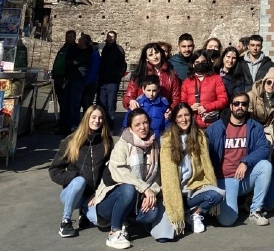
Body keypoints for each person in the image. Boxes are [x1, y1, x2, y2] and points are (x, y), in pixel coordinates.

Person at [88, 108, 163, 249]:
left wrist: (151, 190)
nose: (142, 127)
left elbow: (157, 176)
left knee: (152, 213)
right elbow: (119, 172)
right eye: (137, 125)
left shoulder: (154, 145)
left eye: (145, 123)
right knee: (128, 188)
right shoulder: (122, 144)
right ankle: (115, 232)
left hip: (137, 199)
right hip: (110, 200)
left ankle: (125, 221)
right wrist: (144, 187)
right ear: (130, 128)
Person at [206, 88, 273, 227]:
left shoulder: (255, 127)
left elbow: (264, 148)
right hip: (224, 180)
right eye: (236, 104)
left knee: (265, 166)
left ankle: (255, 210)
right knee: (228, 220)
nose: (240, 107)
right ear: (231, 106)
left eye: (243, 104)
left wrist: (245, 162)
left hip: (244, 177)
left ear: (247, 107)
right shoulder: (216, 128)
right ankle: (230, 204)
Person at [159, 103, 225, 237]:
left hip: (194, 187)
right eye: (179, 116)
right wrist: (173, 200)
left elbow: (206, 165)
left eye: (186, 115)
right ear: (174, 119)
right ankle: (180, 211)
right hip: (175, 191)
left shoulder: (199, 136)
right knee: (164, 237)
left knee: (217, 195)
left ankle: (195, 213)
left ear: (191, 116)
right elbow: (168, 176)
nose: (184, 120)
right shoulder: (167, 140)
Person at [49, 105, 113, 238]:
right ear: (86, 118)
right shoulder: (70, 141)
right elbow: (54, 170)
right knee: (79, 181)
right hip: (73, 194)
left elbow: (110, 170)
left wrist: (99, 192)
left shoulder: (107, 142)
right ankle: (65, 221)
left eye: (100, 118)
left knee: (101, 222)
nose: (97, 121)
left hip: (93, 196)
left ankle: (85, 213)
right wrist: (73, 176)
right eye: (93, 117)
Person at [123, 43, 181, 112]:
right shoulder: (139, 74)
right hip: (143, 114)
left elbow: (176, 98)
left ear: (161, 54)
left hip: (163, 114)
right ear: (146, 59)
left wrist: (170, 109)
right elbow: (128, 96)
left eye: (156, 53)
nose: (155, 57)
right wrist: (131, 101)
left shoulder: (171, 74)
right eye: (150, 55)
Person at [180, 50, 228, 130]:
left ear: (207, 63)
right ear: (193, 64)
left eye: (203, 62)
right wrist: (190, 107)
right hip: (192, 125)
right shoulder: (187, 82)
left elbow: (223, 100)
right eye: (197, 62)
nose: (200, 64)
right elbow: (182, 103)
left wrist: (206, 107)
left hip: (211, 123)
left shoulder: (216, 78)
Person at [122, 74, 170, 139]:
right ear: (143, 89)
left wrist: (167, 131)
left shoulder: (163, 103)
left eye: (154, 90)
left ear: (158, 89)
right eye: (148, 90)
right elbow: (128, 119)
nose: (151, 94)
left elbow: (167, 121)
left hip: (157, 137)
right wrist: (124, 132)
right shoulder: (138, 103)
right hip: (141, 138)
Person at [97, 31, 126, 128]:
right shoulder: (105, 49)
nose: (110, 38)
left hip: (112, 81)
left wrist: (117, 76)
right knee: (101, 103)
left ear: (115, 38)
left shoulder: (118, 49)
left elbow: (123, 65)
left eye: (112, 37)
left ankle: (109, 126)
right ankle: (101, 125)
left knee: (111, 104)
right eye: (109, 37)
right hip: (102, 80)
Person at [52, 30, 77, 134]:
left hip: (65, 80)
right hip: (57, 78)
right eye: (67, 37)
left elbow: (73, 66)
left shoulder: (75, 49)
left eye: (71, 37)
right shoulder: (63, 48)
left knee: (66, 104)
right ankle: (62, 124)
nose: (69, 38)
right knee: (61, 103)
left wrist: (67, 79)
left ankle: (66, 127)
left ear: (74, 38)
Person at [81, 38, 102, 115]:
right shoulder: (87, 52)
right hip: (85, 81)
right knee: (84, 103)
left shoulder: (94, 53)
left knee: (87, 103)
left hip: (90, 82)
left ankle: (87, 122)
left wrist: (87, 80)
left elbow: (95, 68)